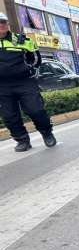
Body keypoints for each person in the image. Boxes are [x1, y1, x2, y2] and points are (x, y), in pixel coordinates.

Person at [0, 12, 56, 152]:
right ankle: (22, 140)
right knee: (9, 116)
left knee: (36, 110)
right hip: (2, 86)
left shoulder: (22, 40)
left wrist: (29, 69)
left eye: (3, 22)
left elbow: (36, 59)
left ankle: (47, 133)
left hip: (25, 82)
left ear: (7, 24)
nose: (1, 25)